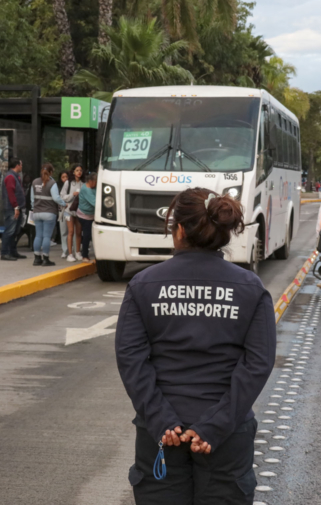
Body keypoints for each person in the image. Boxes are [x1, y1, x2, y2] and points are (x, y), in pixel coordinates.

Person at [115, 188, 276, 505]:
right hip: (226, 437)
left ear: (179, 230)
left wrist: (162, 421)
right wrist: (214, 427)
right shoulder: (250, 287)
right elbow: (258, 363)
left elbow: (131, 358)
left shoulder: (144, 284)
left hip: (161, 435)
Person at [31, 163, 64, 266]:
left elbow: (32, 199)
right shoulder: (52, 183)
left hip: (37, 212)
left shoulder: (35, 182)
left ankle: (37, 258)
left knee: (38, 236)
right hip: (49, 213)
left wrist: (35, 207)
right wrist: (64, 203)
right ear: (51, 172)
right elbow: (56, 198)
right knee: (46, 237)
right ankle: (45, 259)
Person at [0, 158, 26, 261]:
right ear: (17, 165)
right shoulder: (10, 177)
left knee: (15, 231)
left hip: (16, 208)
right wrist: (16, 207)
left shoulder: (16, 176)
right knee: (10, 231)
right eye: (21, 164)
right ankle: (5, 253)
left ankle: (13, 251)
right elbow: (11, 193)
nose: (22, 166)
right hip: (12, 208)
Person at [61, 164, 84, 262]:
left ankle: (77, 252)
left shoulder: (83, 183)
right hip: (68, 211)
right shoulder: (68, 183)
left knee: (78, 232)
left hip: (79, 211)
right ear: (73, 172)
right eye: (77, 170)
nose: (79, 172)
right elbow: (62, 196)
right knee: (71, 232)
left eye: (80, 170)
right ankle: (70, 254)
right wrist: (72, 195)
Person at [76, 172, 97, 264]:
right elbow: (95, 203)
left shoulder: (92, 187)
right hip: (85, 215)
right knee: (87, 235)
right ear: (91, 181)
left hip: (91, 215)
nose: (97, 184)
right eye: (96, 182)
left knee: (90, 235)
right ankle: (85, 256)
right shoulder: (86, 189)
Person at [54, 170, 70, 259]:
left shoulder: (71, 185)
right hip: (62, 210)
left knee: (72, 231)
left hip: (70, 210)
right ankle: (65, 250)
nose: (65, 179)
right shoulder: (57, 186)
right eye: (63, 177)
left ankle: (73, 249)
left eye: (66, 177)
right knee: (63, 231)